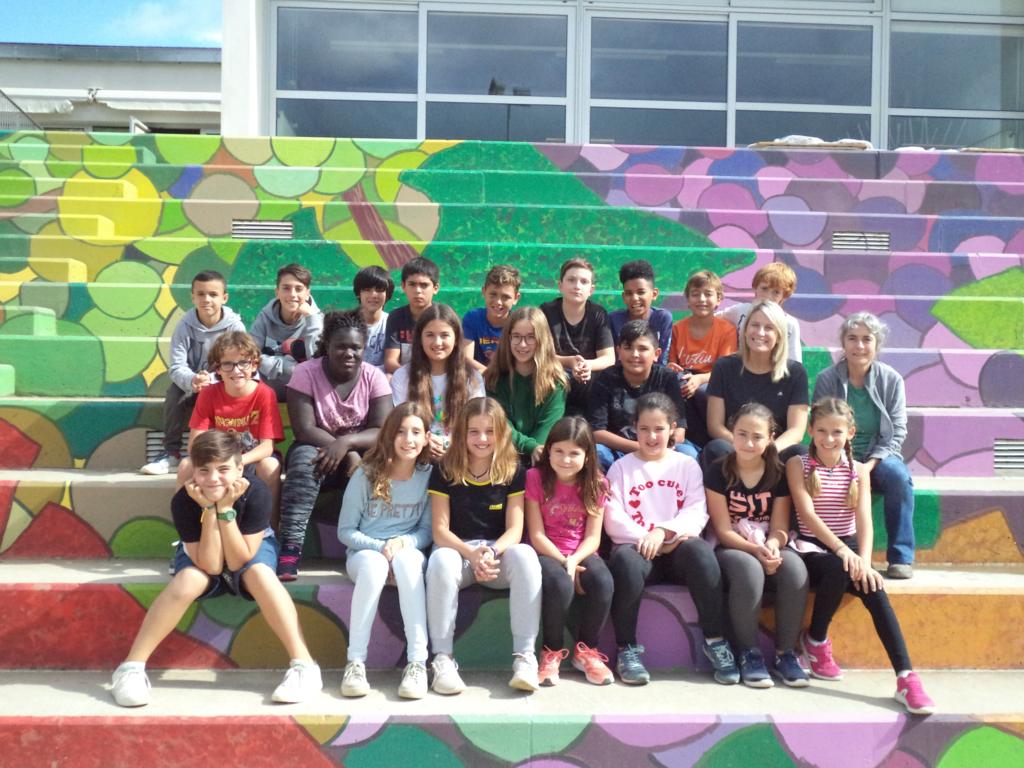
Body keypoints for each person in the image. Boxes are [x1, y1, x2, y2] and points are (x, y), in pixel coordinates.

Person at [112, 431, 322, 707]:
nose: (213, 478)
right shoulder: (184, 500)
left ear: (239, 469)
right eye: (204, 470)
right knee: (188, 579)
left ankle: (304, 666)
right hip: (203, 551)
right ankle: (131, 668)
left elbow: (238, 561)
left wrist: (225, 509)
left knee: (260, 574)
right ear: (194, 473)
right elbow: (210, 565)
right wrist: (211, 511)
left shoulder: (256, 492)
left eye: (223, 469)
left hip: (246, 546)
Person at [786, 398, 935, 715]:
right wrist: (843, 552)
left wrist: (865, 563)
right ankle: (816, 640)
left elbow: (864, 519)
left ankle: (906, 676)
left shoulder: (858, 470)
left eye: (837, 432)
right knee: (841, 566)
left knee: (875, 589)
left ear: (850, 433)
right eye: (822, 431)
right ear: (810, 430)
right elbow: (807, 515)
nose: (829, 438)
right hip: (812, 549)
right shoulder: (798, 465)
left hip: (849, 550)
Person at [603, 392, 738, 686]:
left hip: (677, 549)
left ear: (672, 428)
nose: (652, 436)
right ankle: (627, 650)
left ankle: (716, 641)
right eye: (644, 429)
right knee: (625, 561)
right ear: (634, 429)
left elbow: (697, 511)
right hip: (639, 550)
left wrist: (664, 533)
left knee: (702, 554)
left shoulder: (686, 465)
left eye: (659, 429)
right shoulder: (621, 468)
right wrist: (647, 538)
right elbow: (613, 518)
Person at [426, 397, 542, 694]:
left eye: (490, 431)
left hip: (495, 556)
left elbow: (515, 530)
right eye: (474, 432)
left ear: (501, 433)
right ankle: (442, 658)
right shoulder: (444, 468)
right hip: (459, 554)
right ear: (462, 433)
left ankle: (525, 657)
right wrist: (471, 554)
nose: (482, 439)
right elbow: (440, 531)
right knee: (440, 560)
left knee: (526, 555)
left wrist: (490, 552)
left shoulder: (513, 469)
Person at [277, 311, 393, 581]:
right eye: (341, 346)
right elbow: (304, 429)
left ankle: (376, 545)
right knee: (304, 462)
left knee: (383, 463)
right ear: (327, 345)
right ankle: (290, 548)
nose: (349, 353)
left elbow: (382, 431)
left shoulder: (373, 376)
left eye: (356, 347)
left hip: (360, 453)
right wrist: (346, 452)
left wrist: (347, 443)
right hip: (318, 450)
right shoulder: (306, 373)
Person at [704, 403, 809, 689]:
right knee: (750, 570)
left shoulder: (778, 473)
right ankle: (749, 654)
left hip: (767, 541)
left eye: (757, 437)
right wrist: (756, 551)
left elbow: (780, 527)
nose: (749, 443)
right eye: (742, 434)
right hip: (732, 545)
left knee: (795, 569)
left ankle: (786, 654)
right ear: (732, 433)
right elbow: (723, 530)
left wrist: (773, 545)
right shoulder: (718, 471)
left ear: (771, 438)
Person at [337, 402, 434, 700]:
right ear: (389, 435)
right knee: (375, 565)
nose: (408, 439)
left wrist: (403, 544)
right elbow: (346, 532)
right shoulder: (366, 474)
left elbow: (427, 531)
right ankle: (355, 663)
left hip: (406, 549)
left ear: (427, 438)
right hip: (365, 553)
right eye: (401, 432)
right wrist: (381, 548)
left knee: (407, 563)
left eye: (416, 432)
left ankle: (417, 663)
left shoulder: (428, 475)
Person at [812, 312, 915, 579]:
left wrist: (867, 467)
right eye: (852, 338)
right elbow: (819, 422)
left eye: (866, 339)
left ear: (877, 344)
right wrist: (843, 462)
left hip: (878, 456)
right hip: (834, 453)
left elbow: (898, 431)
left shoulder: (891, 380)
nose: (859, 346)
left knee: (898, 477)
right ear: (843, 343)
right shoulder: (827, 379)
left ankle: (900, 557)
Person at [526, 416, 614, 686]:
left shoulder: (597, 483)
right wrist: (565, 563)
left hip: (580, 551)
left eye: (574, 453)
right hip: (546, 551)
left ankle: (586, 650)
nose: (565, 459)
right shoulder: (535, 477)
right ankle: (551, 651)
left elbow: (593, 537)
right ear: (548, 450)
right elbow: (536, 534)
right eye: (559, 451)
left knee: (603, 581)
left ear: (587, 456)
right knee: (560, 583)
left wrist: (574, 559)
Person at [141, 270, 245, 475]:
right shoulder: (184, 325)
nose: (207, 299)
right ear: (193, 297)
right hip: (193, 384)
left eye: (213, 294)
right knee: (174, 393)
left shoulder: (235, 326)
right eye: (201, 294)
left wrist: (213, 379)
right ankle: (171, 453)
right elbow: (176, 366)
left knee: (232, 394)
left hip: (224, 382)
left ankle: (227, 452)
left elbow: (239, 363)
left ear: (224, 298)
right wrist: (192, 380)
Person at [175, 331, 284, 519]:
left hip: (249, 460)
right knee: (186, 465)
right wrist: (220, 465)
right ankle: (187, 528)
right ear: (217, 369)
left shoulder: (265, 394)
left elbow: (267, 447)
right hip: (216, 461)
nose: (236, 370)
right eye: (227, 364)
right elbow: (195, 444)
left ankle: (269, 528)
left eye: (243, 363)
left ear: (254, 365)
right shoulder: (208, 394)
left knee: (270, 466)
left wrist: (236, 462)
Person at [703, 300, 809, 468]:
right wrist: (744, 447)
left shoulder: (795, 372)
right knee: (716, 448)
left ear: (779, 335)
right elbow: (715, 426)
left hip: (774, 453)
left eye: (769, 328)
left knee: (799, 453)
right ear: (745, 330)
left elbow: (796, 431)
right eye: (755, 325)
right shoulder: (724, 367)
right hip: (734, 449)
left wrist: (768, 450)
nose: (760, 332)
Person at [587, 319, 694, 470]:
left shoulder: (667, 377)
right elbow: (597, 432)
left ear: (657, 354)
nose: (635, 354)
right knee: (598, 453)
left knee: (689, 454)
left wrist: (658, 449)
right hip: (620, 449)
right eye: (628, 348)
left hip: (661, 446)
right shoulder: (606, 378)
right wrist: (640, 448)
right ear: (619, 351)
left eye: (642, 349)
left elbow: (679, 430)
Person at [391, 303, 484, 462]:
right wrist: (425, 442)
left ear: (456, 339)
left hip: (460, 455)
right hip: (416, 453)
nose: (437, 342)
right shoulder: (402, 376)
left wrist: (450, 445)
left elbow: (477, 423)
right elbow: (400, 423)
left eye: (444, 335)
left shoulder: (473, 378)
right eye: (430, 335)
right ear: (420, 339)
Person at [484, 306, 567, 465]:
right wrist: (530, 447)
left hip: (539, 459)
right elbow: (500, 424)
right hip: (500, 456)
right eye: (516, 336)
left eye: (531, 337)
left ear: (542, 340)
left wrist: (535, 449)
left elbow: (547, 429)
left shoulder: (556, 382)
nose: (522, 344)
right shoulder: (494, 378)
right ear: (508, 338)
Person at [667, 270, 737, 449]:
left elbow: (726, 370)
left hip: (712, 380)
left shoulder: (726, 330)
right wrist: (674, 369)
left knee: (703, 392)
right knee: (678, 387)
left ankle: (706, 444)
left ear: (719, 299)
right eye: (695, 294)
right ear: (688, 300)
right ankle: (683, 440)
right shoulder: (678, 328)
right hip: (685, 380)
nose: (702, 299)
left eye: (708, 294)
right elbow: (672, 364)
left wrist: (699, 379)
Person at [540, 258, 615, 416]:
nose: (577, 286)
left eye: (584, 281)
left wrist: (586, 365)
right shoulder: (546, 312)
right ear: (560, 285)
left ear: (591, 289)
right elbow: (541, 355)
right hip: (555, 379)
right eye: (571, 280)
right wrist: (569, 362)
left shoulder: (598, 314)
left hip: (588, 380)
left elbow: (609, 358)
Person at [250, 263, 324, 401]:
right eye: (286, 288)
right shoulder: (264, 317)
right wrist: (288, 367)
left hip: (304, 396)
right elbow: (250, 356)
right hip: (266, 394)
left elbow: (318, 363)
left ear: (308, 293)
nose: (292, 294)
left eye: (299, 289)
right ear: (277, 292)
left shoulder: (317, 321)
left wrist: (311, 318)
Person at [720, 262, 802, 362]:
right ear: (755, 288)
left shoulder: (789, 323)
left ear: (784, 296)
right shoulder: (741, 311)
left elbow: (794, 360)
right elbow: (711, 320)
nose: (768, 296)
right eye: (764, 289)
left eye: (776, 292)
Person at [609, 259, 672, 365]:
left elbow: (661, 361)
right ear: (623, 297)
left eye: (641, 292)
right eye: (629, 293)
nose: (634, 298)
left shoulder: (662, 318)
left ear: (654, 294)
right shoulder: (613, 320)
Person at [384, 257, 440, 374]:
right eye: (412, 284)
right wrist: (414, 377)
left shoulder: (443, 318)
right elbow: (390, 361)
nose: (418, 290)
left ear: (435, 288)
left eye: (424, 285)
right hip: (405, 376)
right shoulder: (396, 317)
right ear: (403, 286)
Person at [462, 264, 522, 372]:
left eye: (505, 297)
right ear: (484, 292)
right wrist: (490, 376)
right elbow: (466, 358)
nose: (498, 302)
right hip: (478, 377)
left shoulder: (518, 324)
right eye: (493, 294)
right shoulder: (472, 318)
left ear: (516, 298)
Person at [352, 265, 395, 370]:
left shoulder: (394, 324)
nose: (374, 295)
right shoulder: (346, 324)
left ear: (387, 294)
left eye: (379, 290)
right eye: (367, 289)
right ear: (359, 293)